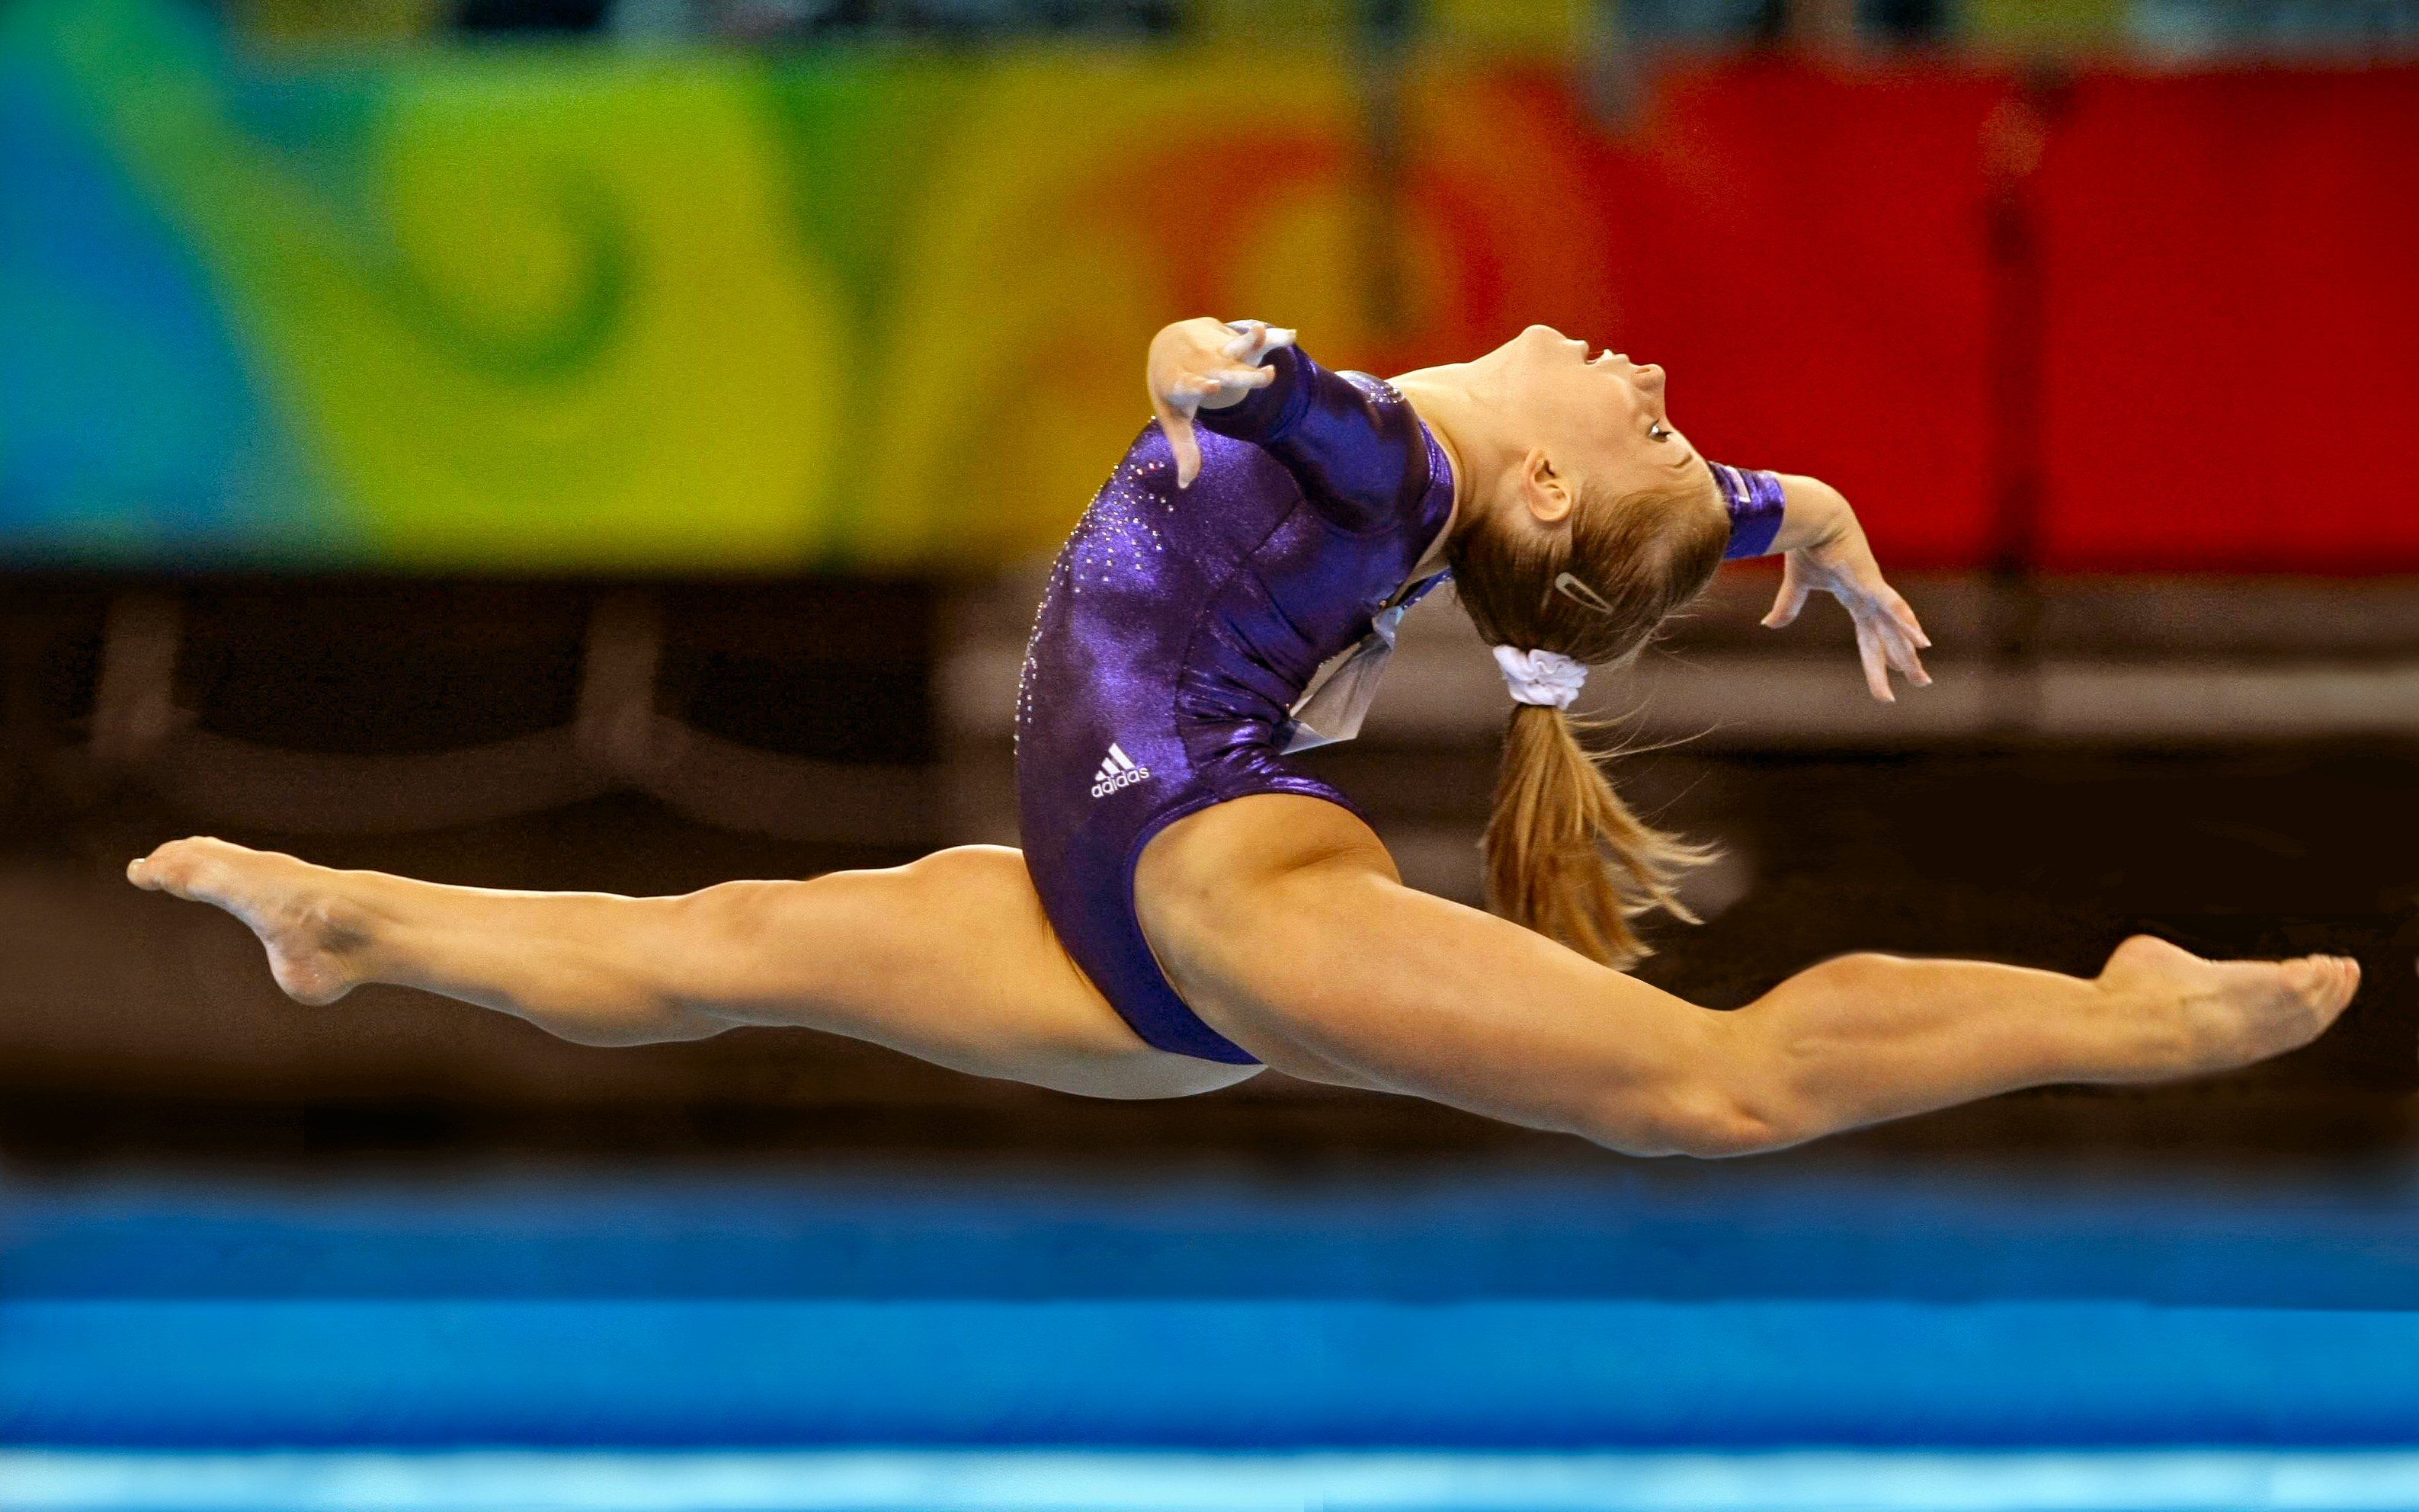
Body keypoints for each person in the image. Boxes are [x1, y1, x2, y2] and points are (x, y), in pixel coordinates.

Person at [127, 319, 2360, 1155]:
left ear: (1554, 492)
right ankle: (353, 921)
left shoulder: (1394, 463)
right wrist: (1829, 541)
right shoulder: (1500, 512)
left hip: (1208, 871)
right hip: (1111, 917)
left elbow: (1263, 384)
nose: (1657, 373)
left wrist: (1222, 368)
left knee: (1711, 1081)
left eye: (1653, 419)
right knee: (723, 941)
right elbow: (1757, 504)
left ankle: (2123, 1016)